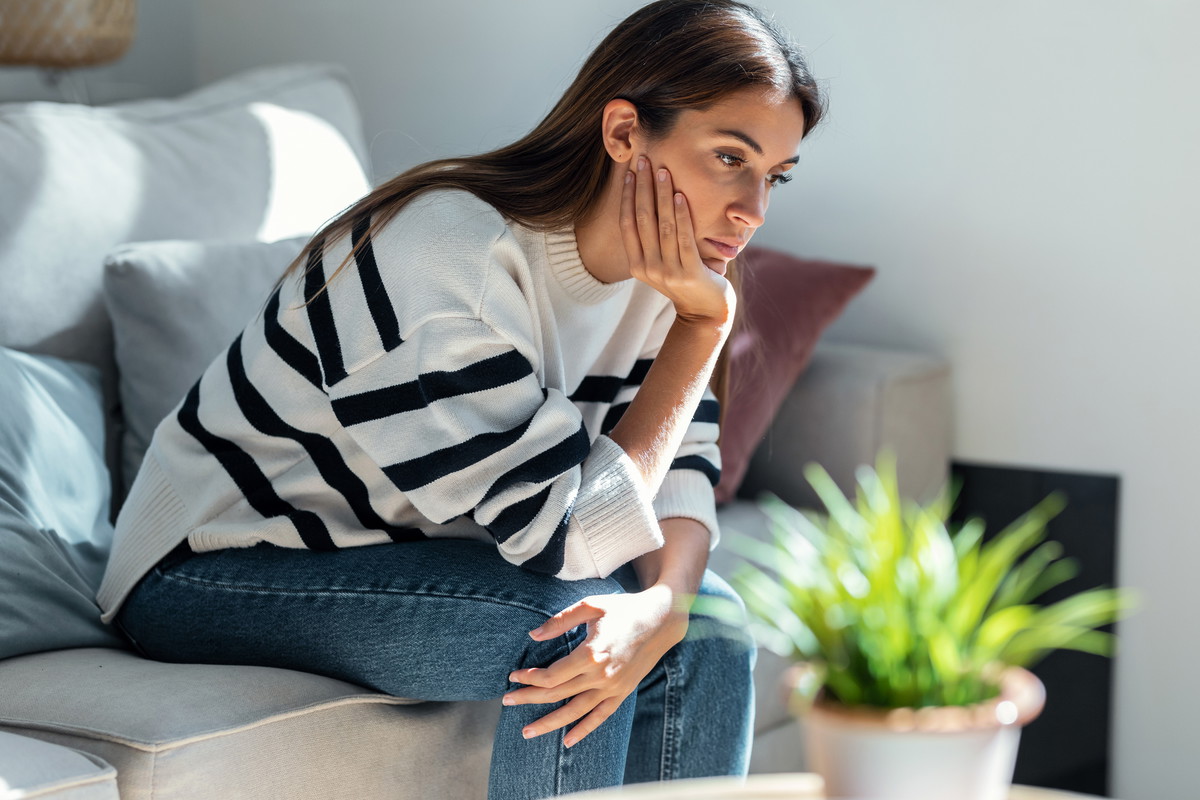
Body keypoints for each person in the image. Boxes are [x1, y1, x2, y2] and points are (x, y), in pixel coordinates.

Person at [97, 1, 824, 797]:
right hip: (210, 567)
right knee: (567, 629)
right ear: (624, 133)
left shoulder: (671, 276)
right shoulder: (447, 255)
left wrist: (667, 606)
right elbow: (567, 542)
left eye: (775, 176)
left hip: (403, 548)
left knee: (712, 631)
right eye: (729, 157)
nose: (753, 209)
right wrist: (701, 330)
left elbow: (679, 466)